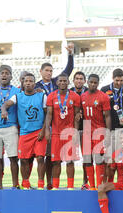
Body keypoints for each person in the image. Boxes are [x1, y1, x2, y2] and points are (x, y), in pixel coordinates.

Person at [35, 43, 75, 191]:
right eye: (46, 70)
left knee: (55, 158)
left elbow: (68, 70)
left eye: (51, 71)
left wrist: (70, 54)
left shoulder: (56, 82)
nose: (49, 73)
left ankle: (52, 183)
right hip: (43, 123)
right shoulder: (35, 85)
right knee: (45, 157)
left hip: (59, 124)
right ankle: (46, 183)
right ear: (41, 71)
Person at [1, 73, 47, 189]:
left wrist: (44, 130)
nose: (28, 83)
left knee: (41, 158)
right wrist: (4, 110)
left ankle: (41, 185)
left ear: (34, 83)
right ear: (23, 83)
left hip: (38, 132)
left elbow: (48, 114)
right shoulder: (17, 96)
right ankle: (25, 184)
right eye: (26, 81)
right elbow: (5, 104)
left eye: (31, 81)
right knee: (24, 160)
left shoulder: (41, 96)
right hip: (24, 133)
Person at [44, 73, 81, 189]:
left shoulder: (75, 96)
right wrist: (47, 130)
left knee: (70, 161)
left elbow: (76, 116)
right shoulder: (51, 96)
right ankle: (55, 186)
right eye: (60, 81)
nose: (63, 83)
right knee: (56, 162)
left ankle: (70, 187)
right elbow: (49, 115)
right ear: (57, 82)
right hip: (55, 133)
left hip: (69, 133)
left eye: (65, 81)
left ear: (68, 82)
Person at [80, 74, 111, 190]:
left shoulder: (103, 97)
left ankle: (99, 185)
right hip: (87, 132)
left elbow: (107, 116)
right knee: (87, 160)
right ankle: (91, 186)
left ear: (98, 83)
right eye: (91, 82)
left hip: (99, 131)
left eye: (95, 83)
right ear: (87, 82)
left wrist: (108, 133)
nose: (93, 84)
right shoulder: (82, 97)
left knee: (99, 159)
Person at [71, 71, 89, 189]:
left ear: (84, 81)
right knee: (70, 158)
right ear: (73, 80)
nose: (79, 80)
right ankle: (69, 184)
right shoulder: (68, 92)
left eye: (81, 78)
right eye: (77, 78)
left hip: (87, 129)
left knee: (87, 157)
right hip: (71, 129)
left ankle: (85, 182)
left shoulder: (89, 92)